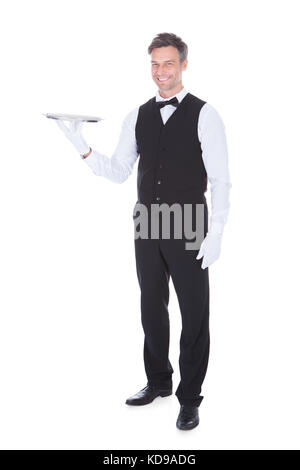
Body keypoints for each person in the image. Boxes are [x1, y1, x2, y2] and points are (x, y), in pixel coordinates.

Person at [55, 32, 232, 431]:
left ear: (184, 65)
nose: (160, 71)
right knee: (151, 306)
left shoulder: (206, 115)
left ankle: (189, 399)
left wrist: (217, 228)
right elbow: (118, 172)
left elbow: (220, 180)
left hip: (189, 223)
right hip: (146, 223)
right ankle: (158, 382)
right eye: (154, 63)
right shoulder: (137, 115)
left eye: (168, 63)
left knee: (194, 314)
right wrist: (80, 145)